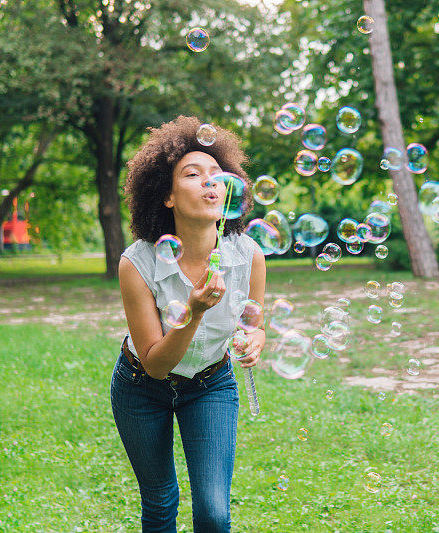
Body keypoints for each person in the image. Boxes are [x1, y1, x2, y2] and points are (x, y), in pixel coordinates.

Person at [111, 116, 266, 532]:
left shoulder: (248, 255)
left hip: (211, 383)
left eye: (217, 175)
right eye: (192, 174)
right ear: (166, 196)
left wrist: (255, 338)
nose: (209, 182)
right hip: (141, 387)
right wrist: (193, 312)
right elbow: (156, 365)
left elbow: (254, 321)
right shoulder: (137, 263)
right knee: (161, 504)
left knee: (214, 514)